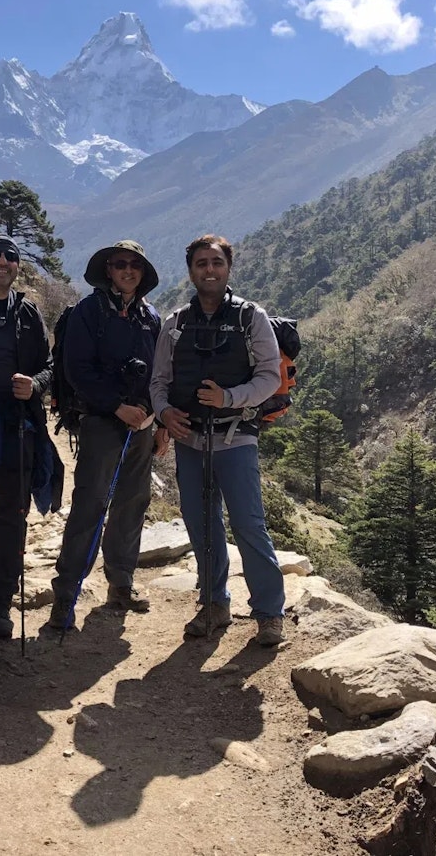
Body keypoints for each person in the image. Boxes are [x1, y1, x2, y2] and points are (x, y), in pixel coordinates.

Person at [150, 234, 286, 646]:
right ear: (190, 270)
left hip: (236, 436)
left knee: (248, 524)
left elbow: (270, 377)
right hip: (190, 440)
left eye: (216, 262)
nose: (209, 270)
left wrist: (229, 398)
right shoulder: (174, 324)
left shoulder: (251, 318)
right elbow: (159, 381)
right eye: (201, 264)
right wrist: (163, 412)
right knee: (202, 525)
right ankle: (214, 603)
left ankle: (268, 614)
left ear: (228, 267)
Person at [49, 240, 168, 630]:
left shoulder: (150, 317)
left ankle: (121, 584)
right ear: (109, 270)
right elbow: (76, 370)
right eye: (121, 264)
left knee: (132, 502)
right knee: (91, 504)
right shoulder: (89, 311)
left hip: (143, 425)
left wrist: (160, 421)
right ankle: (65, 594)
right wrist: (117, 406)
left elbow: (161, 373)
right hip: (103, 422)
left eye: (135, 265)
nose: (128, 271)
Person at [0, 234, 63, 638]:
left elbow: (49, 366)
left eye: (10, 257)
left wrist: (35, 384)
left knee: (10, 517)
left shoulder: (28, 312)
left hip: (17, 427)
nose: (2, 262)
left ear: (17, 266)